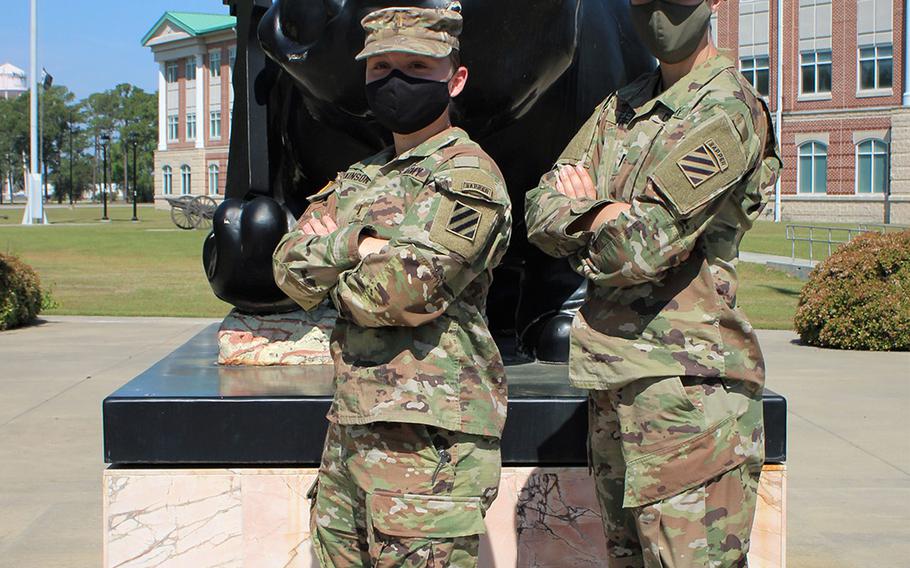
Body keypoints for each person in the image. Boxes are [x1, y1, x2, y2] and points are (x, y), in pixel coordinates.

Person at [525, 0, 782, 566]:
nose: (659, 11)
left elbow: (642, 247)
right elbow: (539, 209)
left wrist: (586, 208)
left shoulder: (728, 108)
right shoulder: (624, 104)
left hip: (690, 399)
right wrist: (608, 213)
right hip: (616, 388)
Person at [272, 3, 511, 567]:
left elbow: (409, 291)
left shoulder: (468, 175)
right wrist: (359, 246)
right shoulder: (362, 177)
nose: (396, 81)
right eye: (381, 68)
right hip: (349, 433)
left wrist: (331, 262)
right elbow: (287, 267)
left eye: (415, 67)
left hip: (428, 445)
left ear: (455, 80)